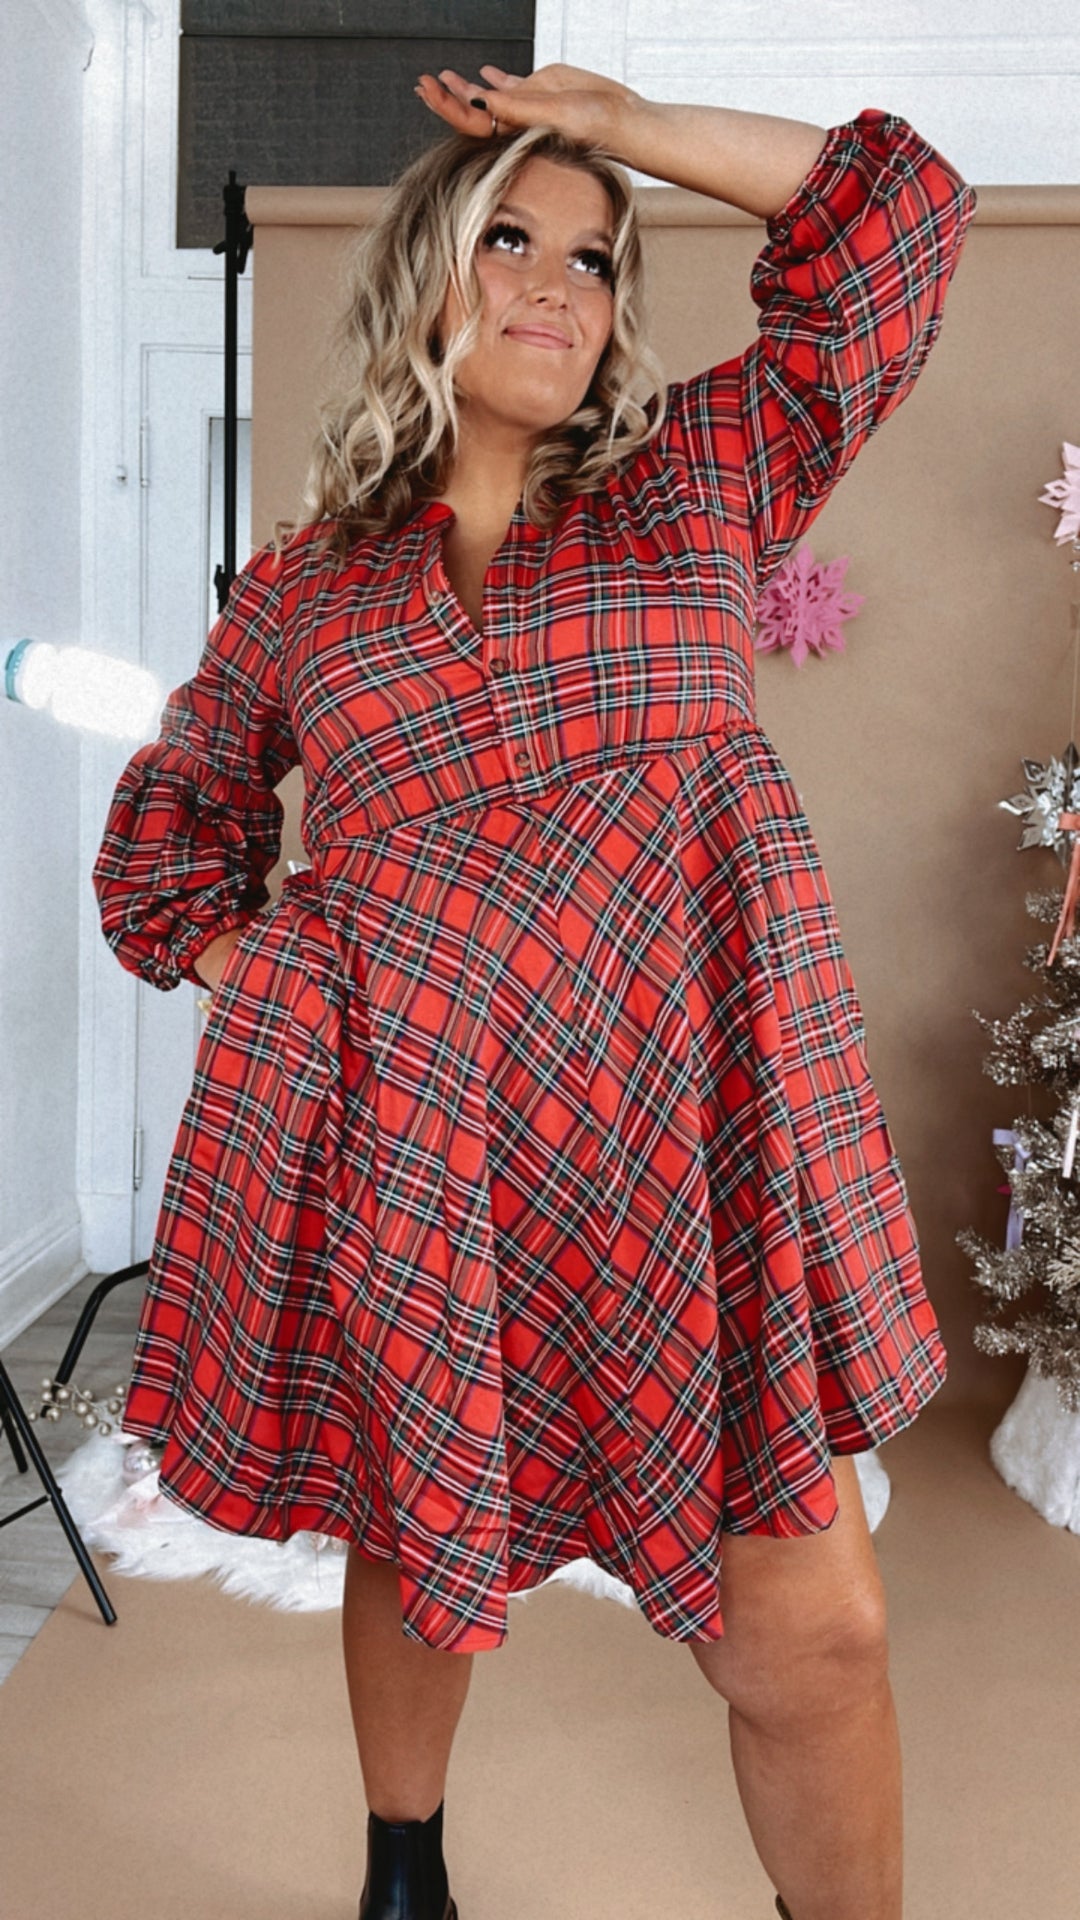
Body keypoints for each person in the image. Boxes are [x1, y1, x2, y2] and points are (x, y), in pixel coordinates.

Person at [92, 59, 976, 1920]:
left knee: (814, 1631)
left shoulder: (698, 484)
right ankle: (403, 1869)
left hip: (686, 1150)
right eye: (512, 237)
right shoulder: (305, 596)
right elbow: (172, 831)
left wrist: (622, 124)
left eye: (596, 255)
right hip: (437, 1155)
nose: (561, 283)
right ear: (425, 272)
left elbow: (900, 218)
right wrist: (277, 971)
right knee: (422, 1528)